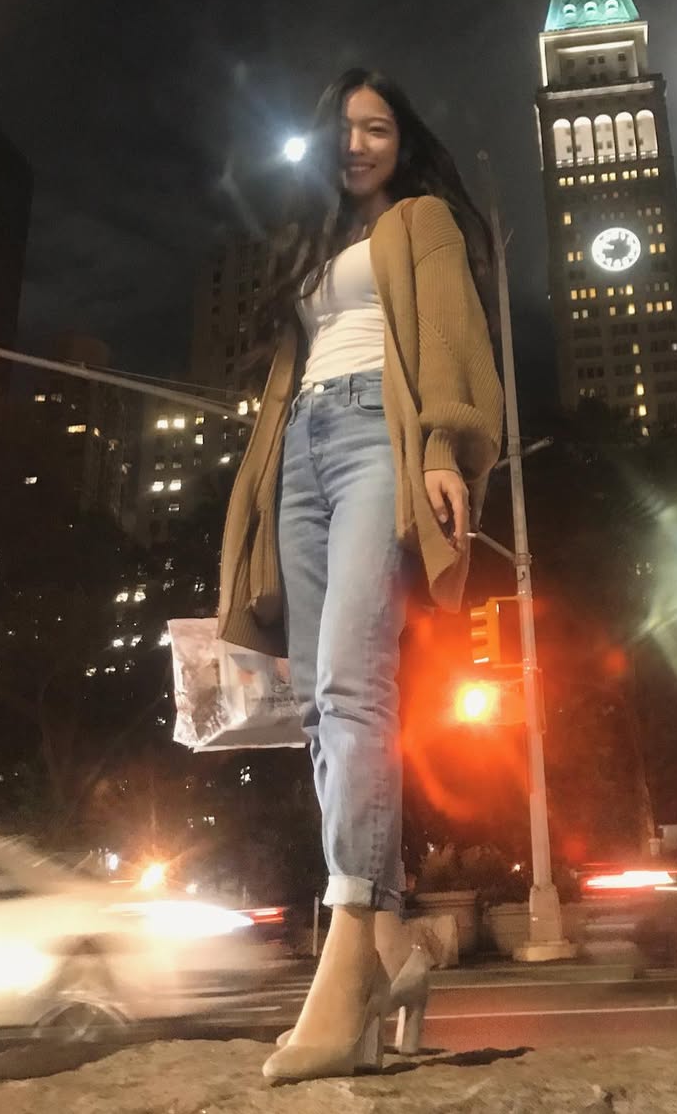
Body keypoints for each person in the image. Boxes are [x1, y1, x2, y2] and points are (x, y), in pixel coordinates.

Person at [217, 68, 504, 1085]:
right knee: (313, 701)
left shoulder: (423, 222)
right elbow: (285, 367)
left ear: (401, 140)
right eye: (342, 129)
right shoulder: (310, 245)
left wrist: (444, 448)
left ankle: (348, 960)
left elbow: (453, 340)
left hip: (379, 436)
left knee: (352, 682)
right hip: (299, 449)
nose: (357, 143)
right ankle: (393, 951)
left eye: (377, 127)